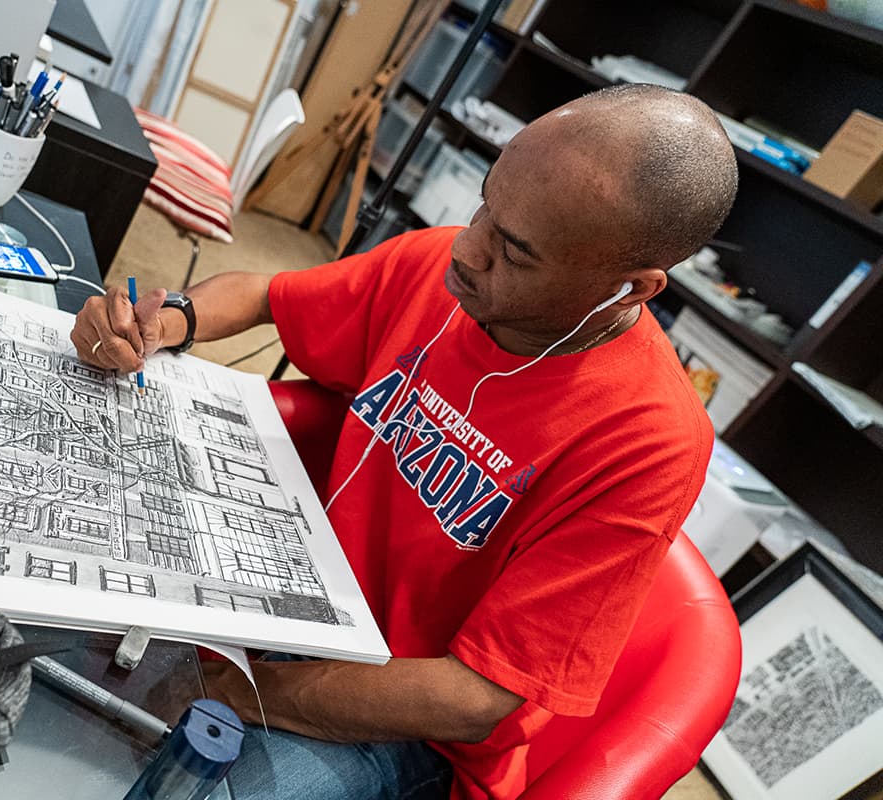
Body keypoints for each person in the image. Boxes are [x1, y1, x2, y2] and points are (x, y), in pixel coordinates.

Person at [71, 84, 738, 799]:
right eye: (486, 204)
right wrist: (160, 323)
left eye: (515, 253)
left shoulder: (649, 441)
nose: (469, 248)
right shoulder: (440, 267)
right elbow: (269, 295)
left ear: (628, 289)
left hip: (408, 720)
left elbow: (474, 699)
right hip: (297, 591)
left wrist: (244, 690)